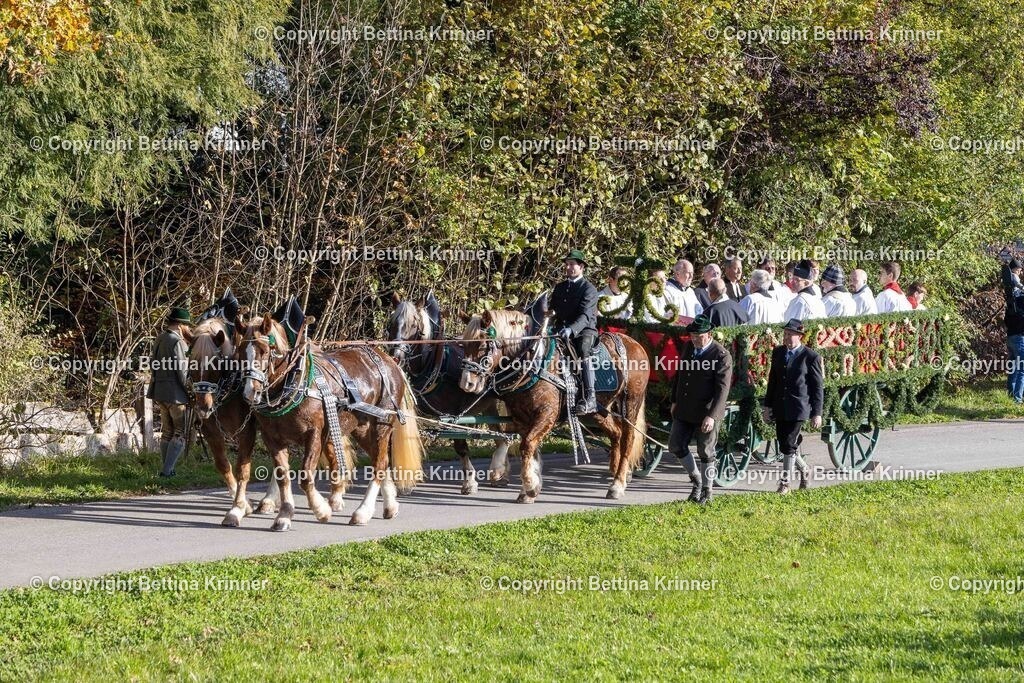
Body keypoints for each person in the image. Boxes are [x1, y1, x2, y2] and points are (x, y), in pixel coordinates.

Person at [669, 315, 732, 505]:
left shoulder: (721, 355)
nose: (695, 339)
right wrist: (674, 400)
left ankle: (707, 490)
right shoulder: (689, 348)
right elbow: (680, 375)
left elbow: (722, 390)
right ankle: (696, 480)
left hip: (706, 412)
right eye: (693, 336)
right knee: (675, 445)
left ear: (710, 334)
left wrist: (712, 416)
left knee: (706, 451)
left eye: (699, 336)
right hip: (685, 408)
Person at [763, 319, 824, 494]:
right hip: (780, 405)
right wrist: (767, 406)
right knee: (785, 445)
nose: (787, 337)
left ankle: (785, 484)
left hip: (799, 407)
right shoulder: (778, 353)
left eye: (791, 334)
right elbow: (772, 381)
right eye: (785, 334)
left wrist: (817, 413)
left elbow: (817, 387)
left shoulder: (811, 357)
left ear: (800, 336)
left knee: (789, 443)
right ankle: (805, 469)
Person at [550, 249, 600, 414]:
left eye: (572, 264)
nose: (569, 267)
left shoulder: (589, 289)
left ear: (581, 267)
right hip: (560, 328)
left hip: (584, 330)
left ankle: (590, 397)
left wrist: (571, 329)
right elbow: (553, 310)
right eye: (567, 264)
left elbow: (586, 315)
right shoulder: (560, 287)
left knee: (584, 350)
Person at [148, 307, 192, 477]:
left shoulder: (159, 338)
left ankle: (167, 469)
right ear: (181, 325)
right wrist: (189, 390)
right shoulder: (178, 342)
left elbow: (154, 365)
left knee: (167, 432)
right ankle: (167, 471)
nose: (187, 329)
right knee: (180, 432)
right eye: (187, 326)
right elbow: (182, 371)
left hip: (160, 391)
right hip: (176, 395)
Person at [1003, 260, 1024, 403]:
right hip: (1020, 338)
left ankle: (1011, 398)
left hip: (1010, 337)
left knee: (1013, 368)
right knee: (1022, 370)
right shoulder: (1021, 299)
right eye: (1019, 270)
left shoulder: (1010, 302)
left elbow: (1006, 321)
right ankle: (1017, 400)